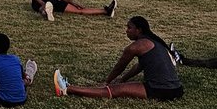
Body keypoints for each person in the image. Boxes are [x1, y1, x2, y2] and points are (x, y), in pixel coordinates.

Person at [53, 15, 183, 101]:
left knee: (112, 91)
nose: (126, 30)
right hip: (176, 89)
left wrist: (107, 82)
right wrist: (123, 79)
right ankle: (68, 88)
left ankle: (66, 89)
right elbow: (140, 66)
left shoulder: (136, 47)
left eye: (129, 28)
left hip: (160, 90)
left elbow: (119, 67)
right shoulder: (154, 42)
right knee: (120, 86)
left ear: (138, 30)